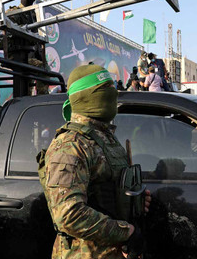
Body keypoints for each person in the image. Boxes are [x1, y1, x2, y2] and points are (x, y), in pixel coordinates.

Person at [38, 64, 151, 258]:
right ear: (85, 96)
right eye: (105, 89)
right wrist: (126, 233)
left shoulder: (104, 137)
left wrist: (135, 202)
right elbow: (69, 215)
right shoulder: (70, 145)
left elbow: (109, 191)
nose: (112, 93)